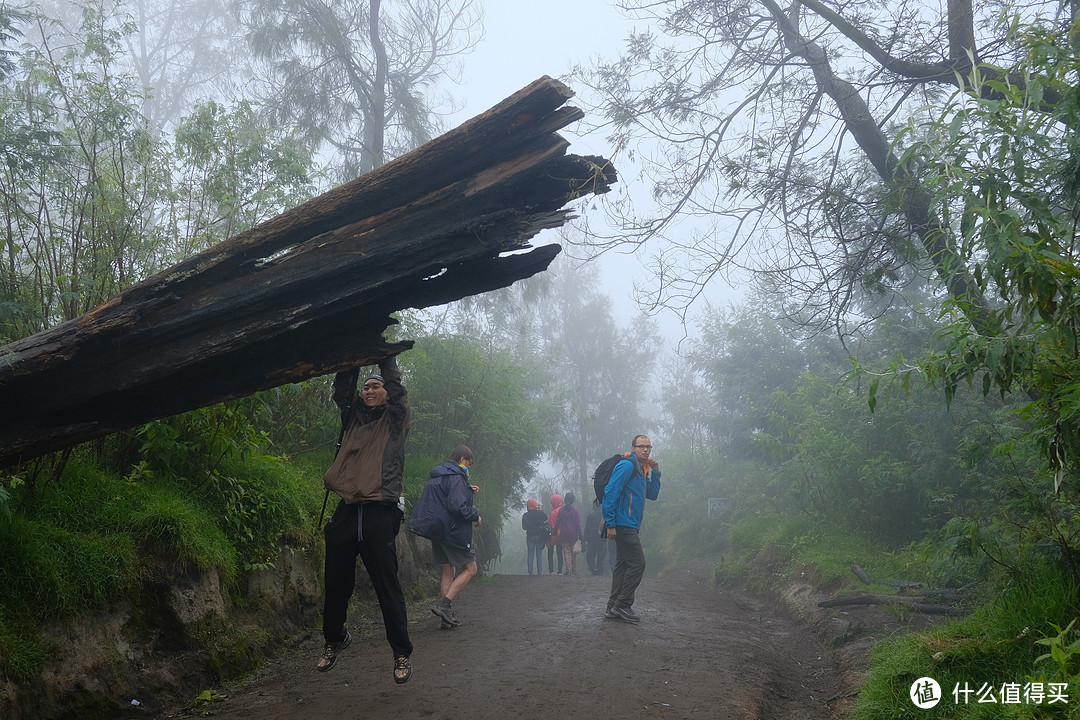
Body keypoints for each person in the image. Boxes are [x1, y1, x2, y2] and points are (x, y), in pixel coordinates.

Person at [317, 355, 413, 684]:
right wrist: (352, 355)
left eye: (376, 386)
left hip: (380, 510)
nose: (370, 391)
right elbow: (343, 391)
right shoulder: (352, 418)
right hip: (347, 509)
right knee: (335, 585)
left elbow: (398, 391)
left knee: (387, 588)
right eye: (367, 386)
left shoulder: (397, 419)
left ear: (387, 392)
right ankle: (334, 638)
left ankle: (401, 652)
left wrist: (384, 355)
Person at [408, 445, 481, 628]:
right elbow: (457, 507)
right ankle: (445, 604)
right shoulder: (456, 477)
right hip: (452, 530)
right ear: (463, 459)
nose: (468, 468)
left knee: (448, 571)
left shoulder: (440, 474)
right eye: (468, 464)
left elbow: (444, 497)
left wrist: (467, 490)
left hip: (437, 530)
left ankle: (445, 619)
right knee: (471, 568)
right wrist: (476, 516)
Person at [602, 435, 661, 624]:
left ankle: (613, 607)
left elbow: (651, 494)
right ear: (633, 447)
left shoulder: (642, 469)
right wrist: (610, 524)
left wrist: (655, 472)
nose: (645, 449)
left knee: (623, 565)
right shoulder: (627, 465)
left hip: (631, 525)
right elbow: (610, 492)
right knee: (638, 563)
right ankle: (622, 604)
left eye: (648, 446)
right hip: (622, 524)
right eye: (641, 446)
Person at [555, 491, 583, 575]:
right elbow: (578, 524)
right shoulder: (575, 510)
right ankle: (574, 569)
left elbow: (557, 523)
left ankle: (568, 569)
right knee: (573, 552)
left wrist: (554, 532)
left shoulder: (561, 511)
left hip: (564, 534)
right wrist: (581, 534)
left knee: (566, 551)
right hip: (573, 534)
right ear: (573, 500)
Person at [521, 499, 549, 575]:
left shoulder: (525, 515)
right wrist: (539, 509)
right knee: (539, 554)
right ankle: (539, 572)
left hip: (530, 536)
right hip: (539, 535)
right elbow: (546, 518)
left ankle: (530, 572)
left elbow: (524, 527)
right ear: (535, 505)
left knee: (530, 553)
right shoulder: (539, 513)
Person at [584, 501, 607, 575]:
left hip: (592, 539)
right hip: (602, 538)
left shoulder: (590, 516)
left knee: (590, 556)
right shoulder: (604, 516)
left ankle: (594, 569)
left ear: (594, 507)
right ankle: (599, 569)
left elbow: (587, 529)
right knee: (601, 555)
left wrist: (585, 540)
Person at [546, 493, 564, 575]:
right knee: (560, 552)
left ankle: (551, 570)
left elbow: (551, 525)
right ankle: (560, 571)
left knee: (550, 552)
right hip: (561, 534)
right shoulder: (563, 510)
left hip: (553, 535)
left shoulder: (553, 513)